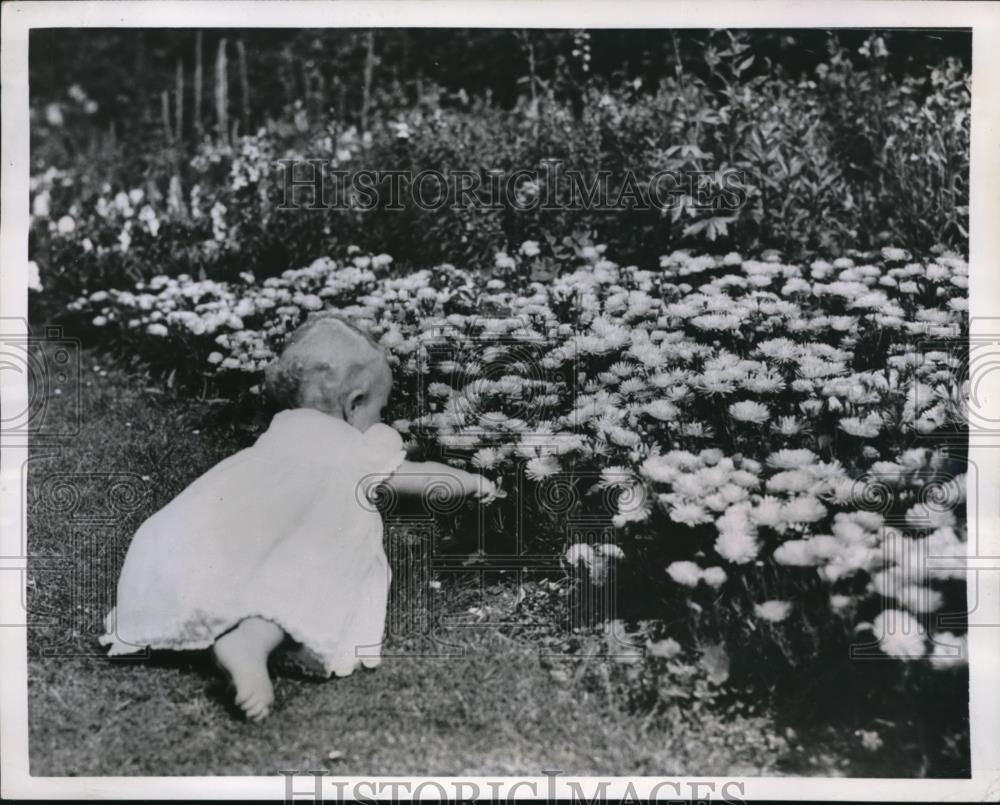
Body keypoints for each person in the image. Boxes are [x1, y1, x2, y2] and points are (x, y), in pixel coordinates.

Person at [100, 314, 499, 720]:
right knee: (313, 563)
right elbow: (411, 477)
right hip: (295, 536)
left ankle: (174, 612)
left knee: (231, 558)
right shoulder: (354, 447)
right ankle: (251, 640)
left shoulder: (281, 430)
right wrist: (467, 481)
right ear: (355, 404)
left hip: (222, 526)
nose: (379, 420)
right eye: (379, 409)